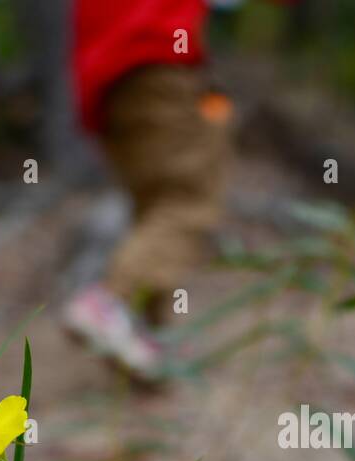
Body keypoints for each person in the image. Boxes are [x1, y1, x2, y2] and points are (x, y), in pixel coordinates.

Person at [64, 0, 231, 380]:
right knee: (187, 203)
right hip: (159, 65)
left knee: (154, 207)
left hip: (105, 86)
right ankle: (110, 302)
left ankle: (150, 342)